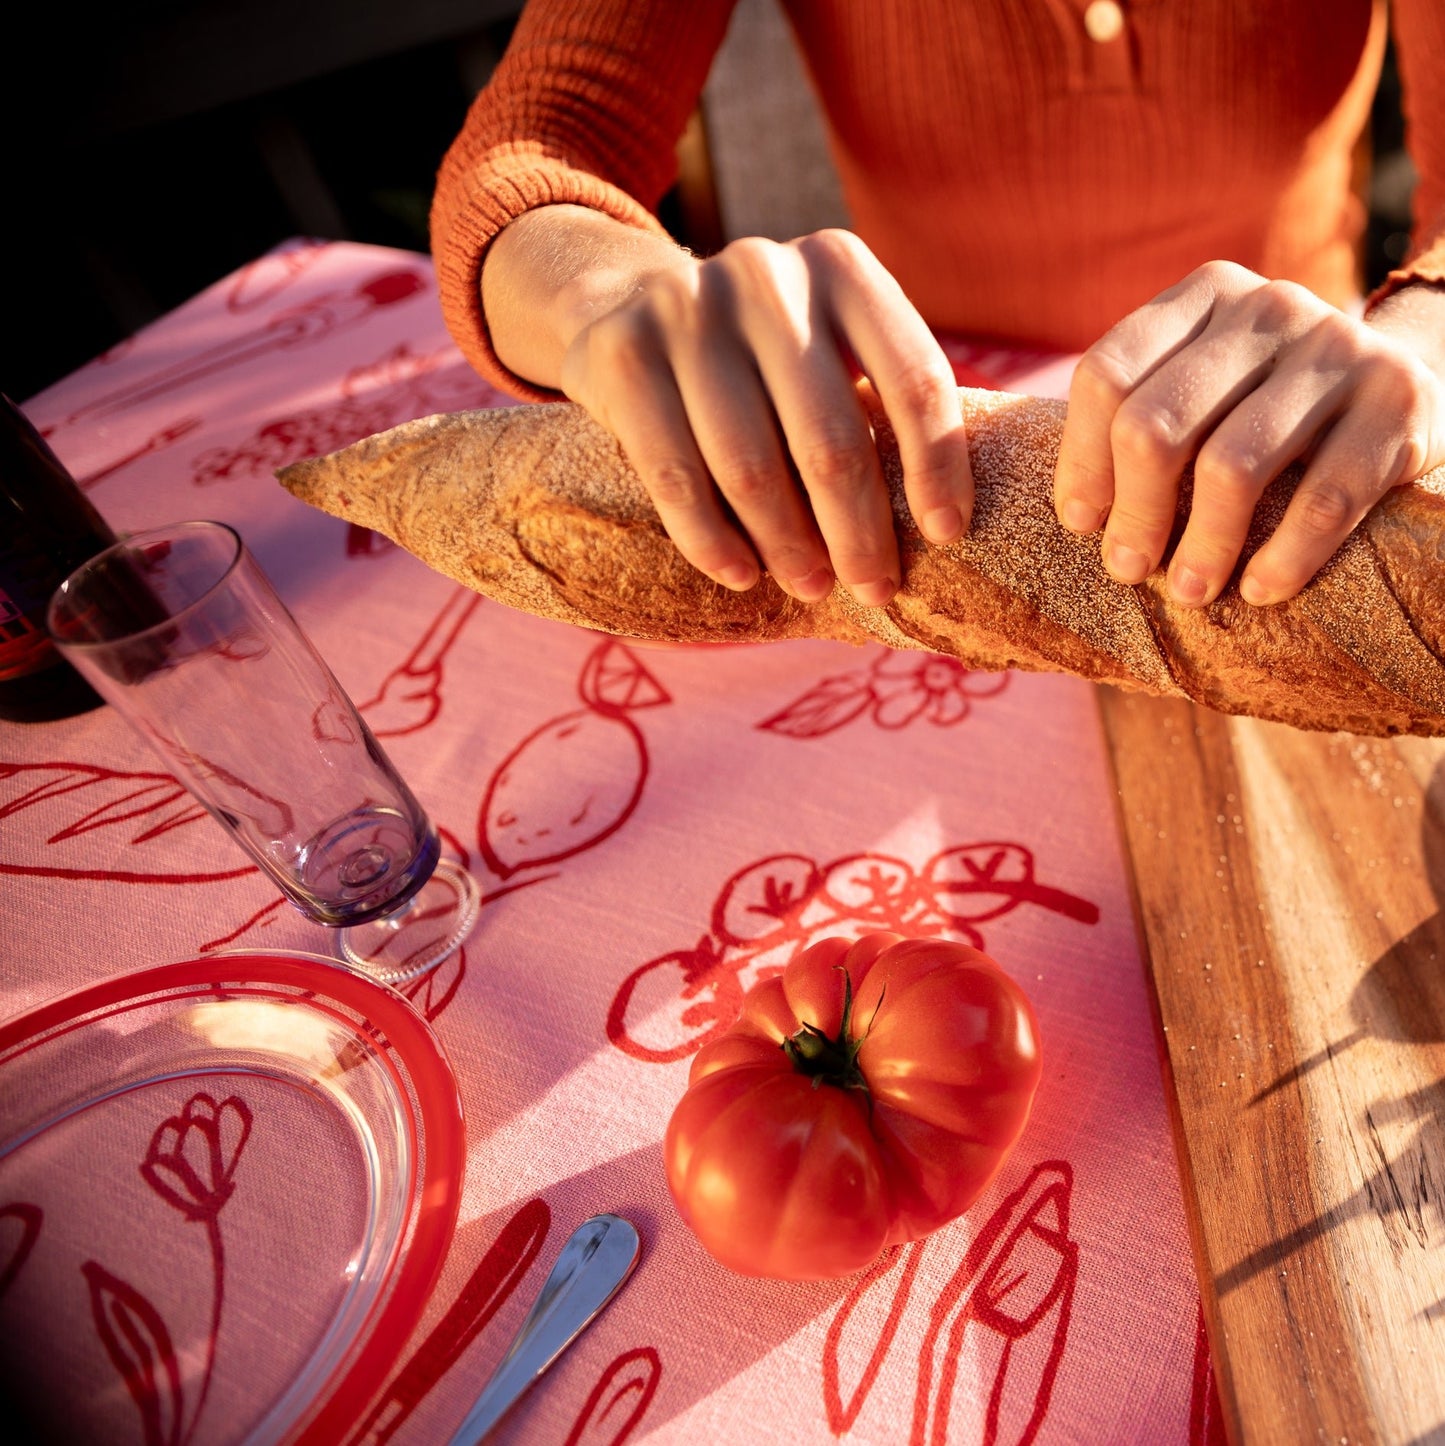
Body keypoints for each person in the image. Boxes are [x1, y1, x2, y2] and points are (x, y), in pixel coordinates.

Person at [429, 0, 1445, 615]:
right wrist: (608, 287)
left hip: (1288, 428)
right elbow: (536, 143)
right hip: (921, 469)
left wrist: (1418, 343)